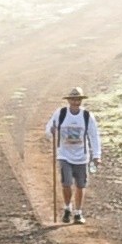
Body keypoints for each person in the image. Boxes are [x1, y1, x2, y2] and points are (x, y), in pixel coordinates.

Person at [46, 88, 103, 224]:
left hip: (82, 157)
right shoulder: (60, 113)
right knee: (66, 183)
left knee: (80, 185)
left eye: (78, 100)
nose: (76, 102)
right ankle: (67, 208)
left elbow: (94, 136)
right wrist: (51, 132)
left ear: (81, 101)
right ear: (69, 100)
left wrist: (97, 155)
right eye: (73, 99)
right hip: (64, 155)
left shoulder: (87, 116)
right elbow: (49, 129)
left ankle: (78, 212)